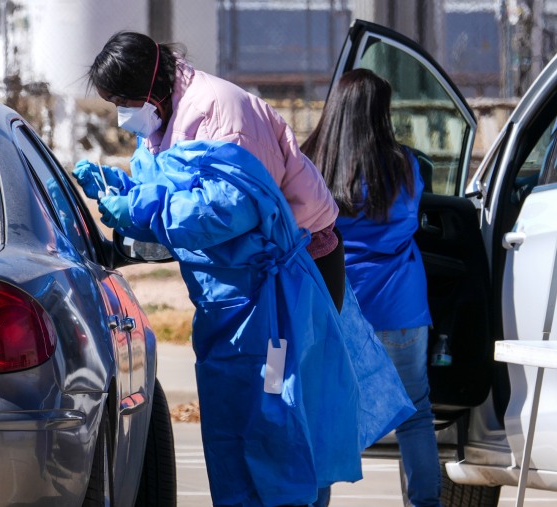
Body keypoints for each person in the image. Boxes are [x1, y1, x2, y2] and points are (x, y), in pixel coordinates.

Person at [78, 138, 413, 506]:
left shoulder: (227, 145)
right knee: (296, 405)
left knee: (282, 407)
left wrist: (137, 206)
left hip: (274, 311)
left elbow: (209, 214)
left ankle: (295, 495)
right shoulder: (394, 165)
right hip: (290, 298)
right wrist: (135, 199)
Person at [74, 30, 345, 311]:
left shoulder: (218, 112)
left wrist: (140, 207)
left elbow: (231, 209)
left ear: (146, 88)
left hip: (295, 255)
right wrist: (121, 189)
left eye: (121, 103)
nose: (121, 115)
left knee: (287, 354)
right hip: (243, 262)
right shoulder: (157, 119)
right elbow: (169, 192)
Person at [301, 68, 440, 507]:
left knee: (323, 414)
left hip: (334, 305)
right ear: (382, 113)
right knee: (416, 414)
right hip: (401, 308)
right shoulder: (407, 166)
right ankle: (425, 503)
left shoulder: (310, 164)